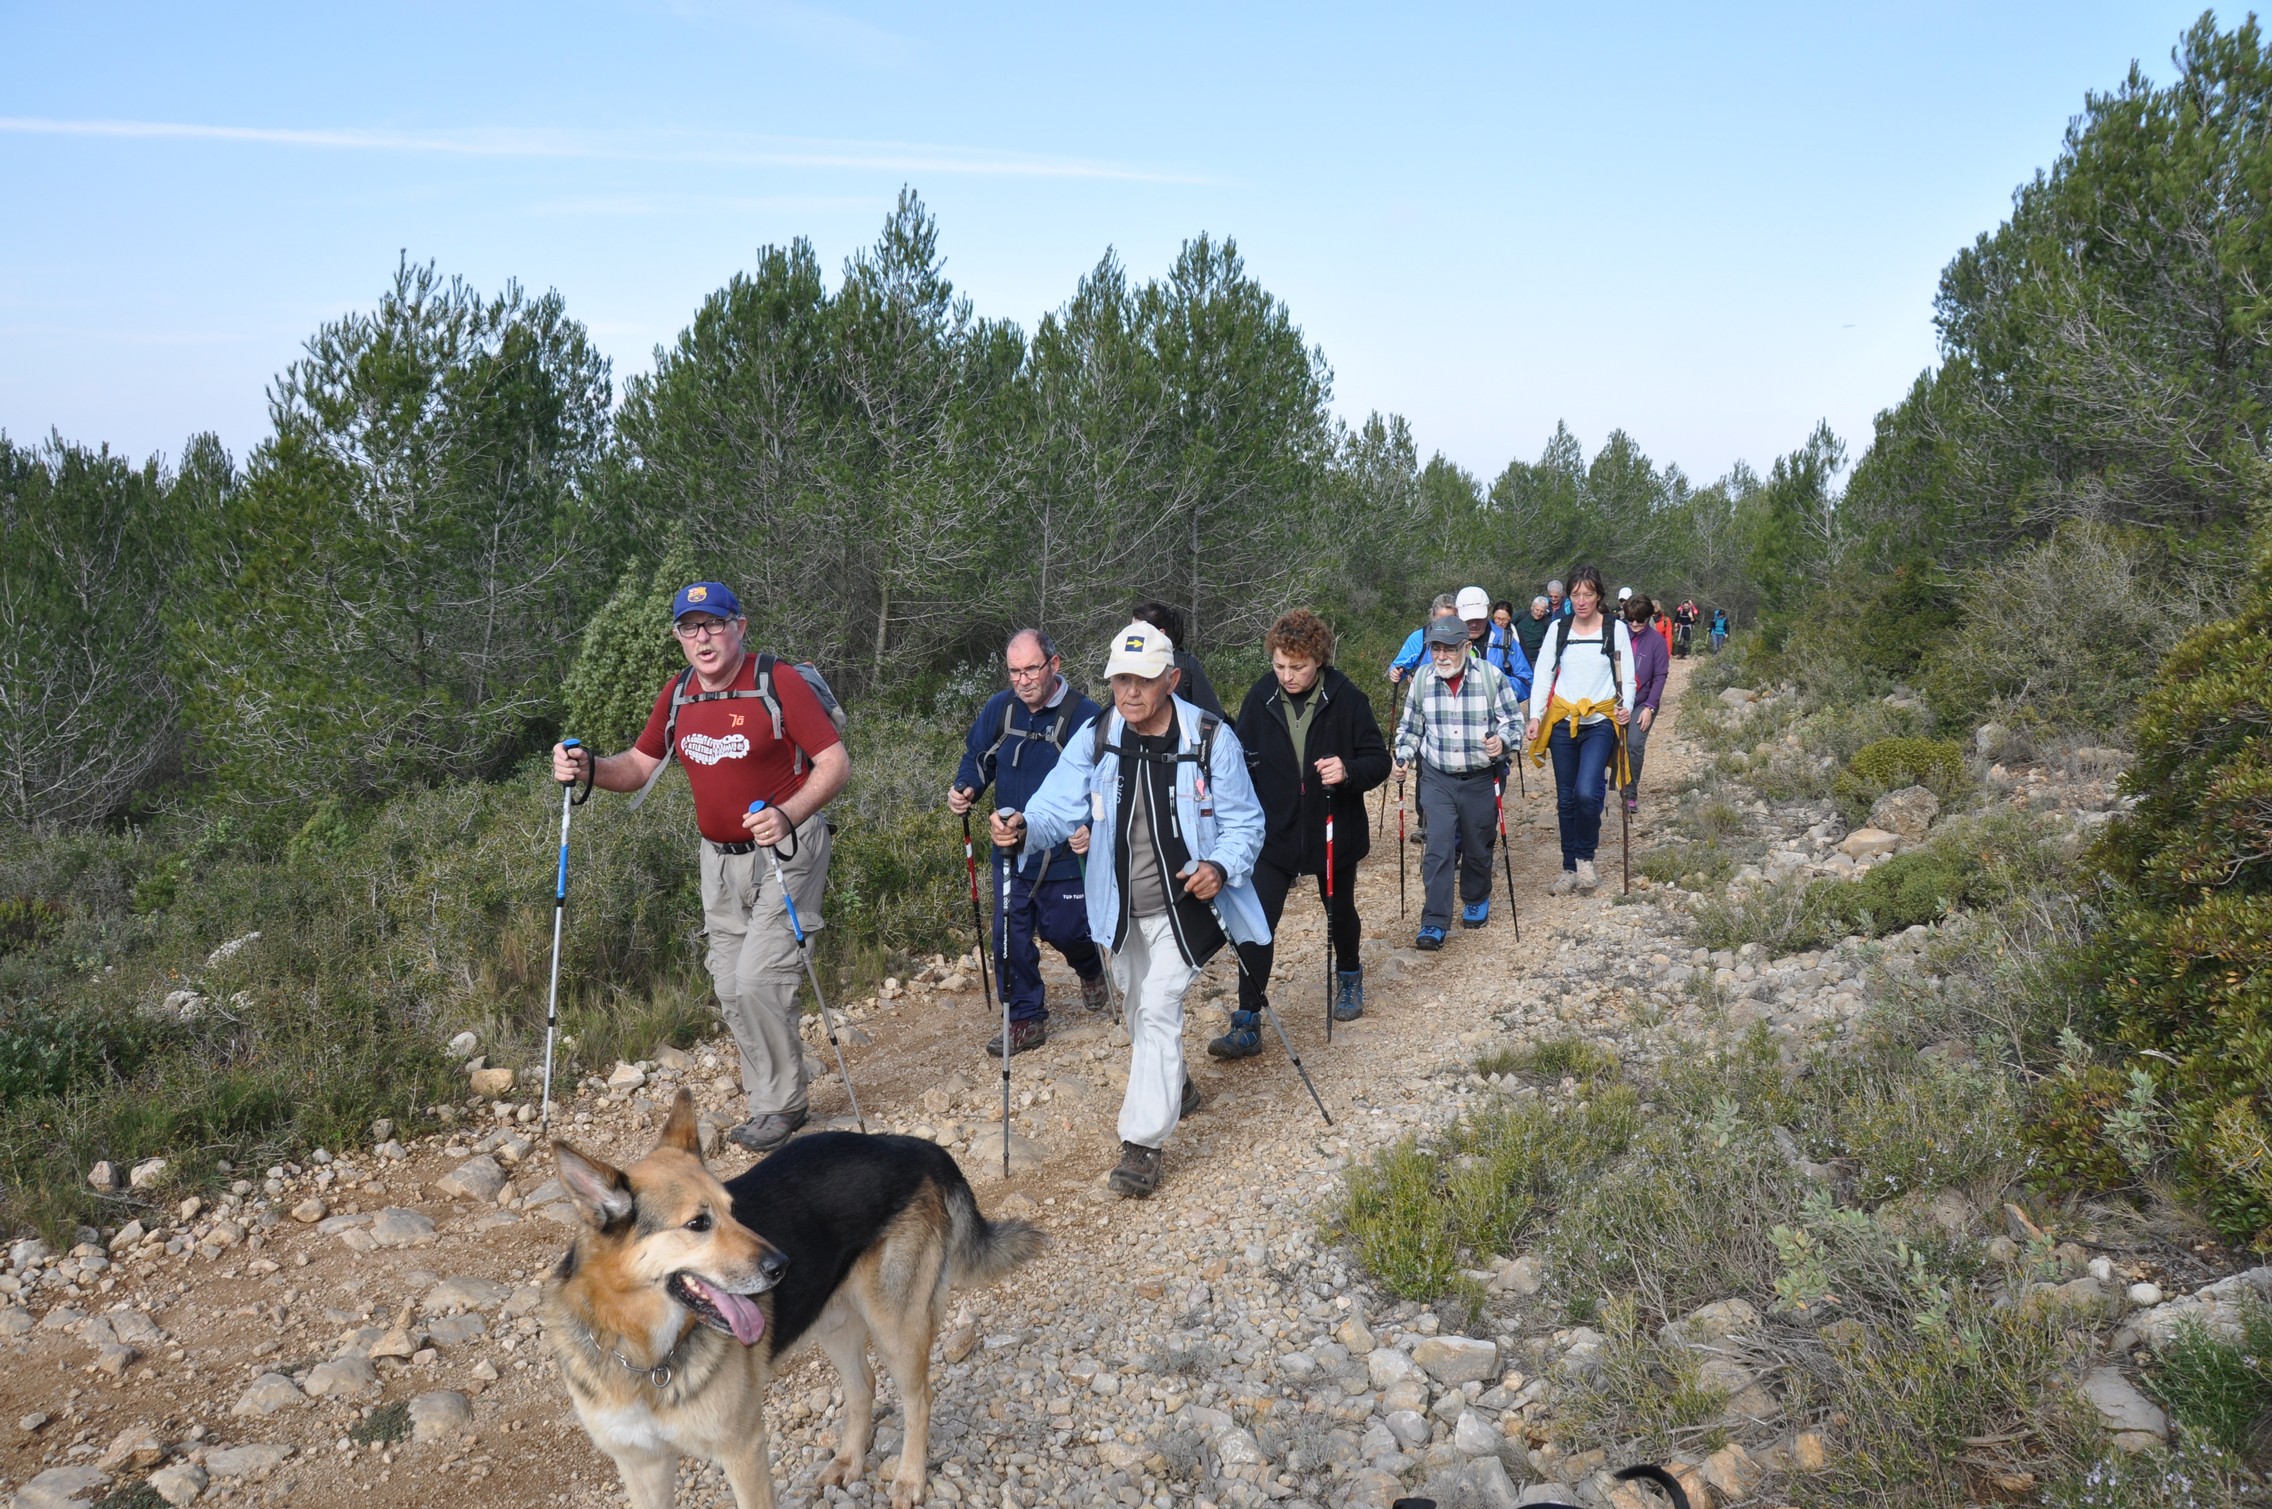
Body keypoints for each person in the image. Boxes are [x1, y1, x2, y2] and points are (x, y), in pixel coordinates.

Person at [553, 583, 849, 1153]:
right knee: (731, 986)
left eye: (714, 623)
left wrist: (787, 815)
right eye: (690, 627)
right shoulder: (680, 694)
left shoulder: (776, 681)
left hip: (786, 849)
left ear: (740, 626)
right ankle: (771, 1096)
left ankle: (780, 1105)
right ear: (678, 636)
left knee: (761, 978)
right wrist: (588, 768)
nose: (703, 637)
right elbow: (638, 766)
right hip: (717, 861)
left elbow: (834, 763)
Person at [994, 620, 1267, 1199]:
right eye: (1120, 679)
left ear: (1172, 680)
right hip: (1119, 906)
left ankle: (1142, 1146)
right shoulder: (1097, 735)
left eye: (1143, 680)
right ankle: (1177, 1084)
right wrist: (1021, 827)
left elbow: (1246, 824)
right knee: (1139, 1007)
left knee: (1159, 1006)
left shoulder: (1211, 739)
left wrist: (1219, 867)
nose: (1130, 692)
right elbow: (1054, 809)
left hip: (1186, 906)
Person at [1219, 610, 1390, 1052]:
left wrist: (1347, 770)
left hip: (1333, 827)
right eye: (1279, 665)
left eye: (1298, 667)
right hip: (1273, 833)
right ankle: (1247, 1018)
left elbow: (1378, 760)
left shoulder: (1346, 697)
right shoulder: (1261, 696)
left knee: (1339, 910)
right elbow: (1238, 760)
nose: (1287, 676)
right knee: (1257, 921)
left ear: (1319, 659)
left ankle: (1349, 975)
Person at [949, 629, 1109, 1058]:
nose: (1022, 680)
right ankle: (1024, 1017)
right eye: (1014, 671)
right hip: (1011, 843)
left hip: (1064, 850)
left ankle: (1090, 966)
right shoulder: (1000, 710)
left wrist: (1091, 827)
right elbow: (978, 756)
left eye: (1031, 670)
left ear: (1054, 665)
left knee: (1067, 929)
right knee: (1009, 934)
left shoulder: (1085, 715)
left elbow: (1104, 781)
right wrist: (966, 788)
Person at [1391, 616, 1525, 950]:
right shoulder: (1422, 680)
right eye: (1436, 648)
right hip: (1437, 777)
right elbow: (1411, 727)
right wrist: (1403, 756)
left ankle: (1476, 897)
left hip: (1480, 777)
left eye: (1449, 648)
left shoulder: (1490, 677)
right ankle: (1434, 920)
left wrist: (1502, 742)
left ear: (1466, 646)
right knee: (1438, 848)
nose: (1442, 656)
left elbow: (1514, 723)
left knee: (1478, 843)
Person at [1525, 566, 1633, 896]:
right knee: (1566, 798)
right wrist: (1535, 715)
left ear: (1599, 595)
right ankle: (1569, 867)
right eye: (1575, 595)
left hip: (1600, 720)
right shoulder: (1558, 628)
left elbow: (1627, 676)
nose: (1581, 601)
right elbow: (1544, 674)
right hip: (1562, 721)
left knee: (1587, 792)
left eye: (1587, 594)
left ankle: (1585, 858)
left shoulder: (1615, 629)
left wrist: (1626, 706)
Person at [1131, 600, 1223, 718]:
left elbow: (1213, 716)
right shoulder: (1128, 665)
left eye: (1137, 632)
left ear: (1161, 634)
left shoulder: (1187, 665)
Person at [1620, 596, 1668, 814]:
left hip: (1643, 701)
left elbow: (1660, 676)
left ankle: (1630, 793)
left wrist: (1650, 707)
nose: (1635, 624)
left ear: (1648, 618)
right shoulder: (1619, 635)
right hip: (1616, 699)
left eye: (1640, 620)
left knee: (1634, 744)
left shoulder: (1657, 641)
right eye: (1631, 620)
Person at [1386, 592, 1460, 685]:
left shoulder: (1465, 638)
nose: (1445, 625)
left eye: (1450, 620)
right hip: (1425, 690)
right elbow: (1399, 666)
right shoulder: (1420, 637)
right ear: (1433, 616)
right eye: (1441, 620)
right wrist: (1395, 673)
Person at [1513, 594, 1555, 668]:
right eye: (1537, 610)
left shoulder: (1547, 622)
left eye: (1542, 611)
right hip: (1516, 655)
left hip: (1534, 659)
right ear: (1532, 607)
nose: (1539, 613)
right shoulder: (1521, 615)